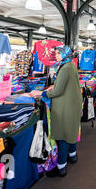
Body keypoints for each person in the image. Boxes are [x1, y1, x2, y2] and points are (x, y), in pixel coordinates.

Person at [34, 46, 83, 177]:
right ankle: (72, 156)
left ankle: (61, 167)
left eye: (57, 53)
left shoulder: (65, 68)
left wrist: (42, 93)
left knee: (63, 136)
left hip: (65, 105)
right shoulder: (71, 65)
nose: (55, 55)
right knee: (72, 130)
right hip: (73, 103)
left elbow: (58, 91)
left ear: (65, 54)